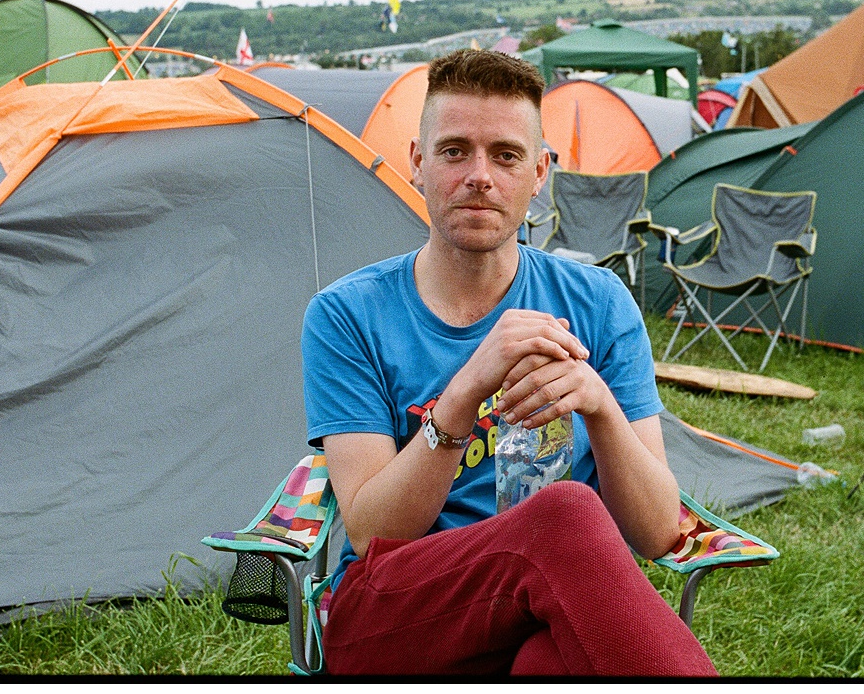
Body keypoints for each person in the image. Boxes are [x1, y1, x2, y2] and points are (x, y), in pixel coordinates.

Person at [302, 49, 717, 676]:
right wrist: (468, 386)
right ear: (417, 161)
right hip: (395, 614)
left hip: (547, 605)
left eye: (505, 154)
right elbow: (372, 533)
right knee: (565, 515)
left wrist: (601, 408)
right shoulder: (347, 315)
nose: (479, 176)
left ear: (540, 172)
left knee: (550, 662)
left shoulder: (599, 306)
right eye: (454, 151)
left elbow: (660, 531)